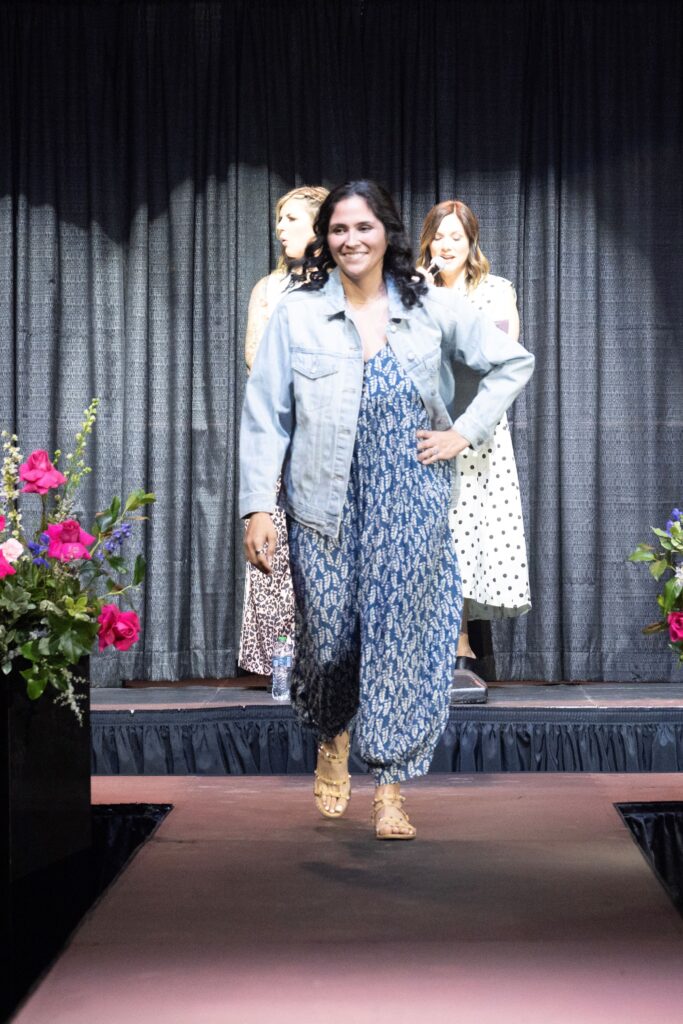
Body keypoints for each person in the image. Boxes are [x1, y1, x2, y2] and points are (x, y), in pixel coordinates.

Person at [240, 181, 534, 840]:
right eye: (339, 229)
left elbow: (511, 364)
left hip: (409, 498)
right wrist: (257, 506)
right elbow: (265, 414)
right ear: (326, 238)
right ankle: (333, 734)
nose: (351, 240)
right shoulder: (297, 313)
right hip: (323, 503)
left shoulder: (428, 303)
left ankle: (391, 787)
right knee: (331, 639)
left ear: (387, 233)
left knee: (398, 639)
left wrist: (462, 432)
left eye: (363, 227)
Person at [418, 200, 532, 673]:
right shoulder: (413, 289)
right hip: (426, 430)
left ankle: (461, 643)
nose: (445, 246)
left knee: (467, 536)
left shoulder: (495, 290)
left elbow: (502, 357)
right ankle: (433, 645)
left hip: (475, 435)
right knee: (434, 537)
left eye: (456, 238)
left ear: (471, 243)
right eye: (438, 237)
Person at [238, 185, 329, 679]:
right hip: (283, 430)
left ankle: (330, 657)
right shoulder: (269, 289)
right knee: (277, 543)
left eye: (292, 218)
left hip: (330, 437)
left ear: (319, 226)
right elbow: (257, 358)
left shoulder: (342, 286)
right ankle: (281, 660)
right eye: (279, 219)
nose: (280, 227)